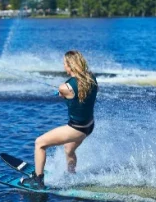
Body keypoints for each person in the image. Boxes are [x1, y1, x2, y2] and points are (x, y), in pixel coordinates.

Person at [20, 51, 98, 189]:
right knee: (69, 149)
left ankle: (38, 181)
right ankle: (71, 176)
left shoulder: (65, 87)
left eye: (64, 64)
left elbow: (66, 91)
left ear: (70, 65)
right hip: (89, 126)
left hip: (76, 129)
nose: (64, 67)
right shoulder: (91, 78)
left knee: (39, 143)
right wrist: (64, 92)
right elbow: (77, 93)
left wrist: (61, 91)